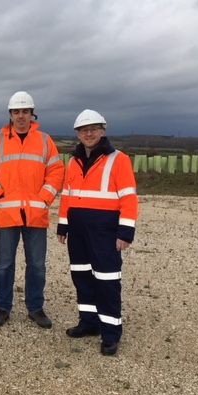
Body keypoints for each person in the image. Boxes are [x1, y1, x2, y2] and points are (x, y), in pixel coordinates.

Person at [57, 109, 138, 356]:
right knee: (81, 277)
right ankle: (89, 322)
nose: (88, 133)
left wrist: (125, 231)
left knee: (107, 281)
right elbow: (67, 195)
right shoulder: (74, 161)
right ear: (78, 134)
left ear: (102, 131)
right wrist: (63, 224)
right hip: (78, 231)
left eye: (93, 129)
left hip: (105, 231)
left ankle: (111, 333)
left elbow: (128, 197)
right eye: (84, 130)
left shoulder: (118, 159)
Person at [0, 91, 64, 329]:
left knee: (37, 264)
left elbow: (56, 171)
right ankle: (3, 308)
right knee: (5, 264)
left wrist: (45, 198)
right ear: (10, 114)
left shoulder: (45, 140)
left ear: (32, 114)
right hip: (7, 213)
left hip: (35, 213)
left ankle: (35, 308)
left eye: (25, 111)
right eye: (16, 112)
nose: (20, 116)